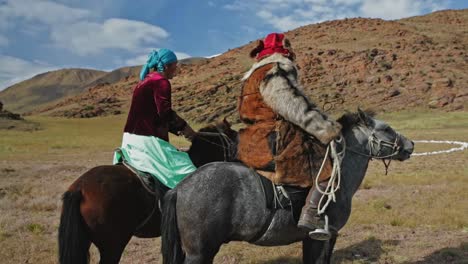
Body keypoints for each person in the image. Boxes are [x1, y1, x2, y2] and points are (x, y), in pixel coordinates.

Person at [237, 33, 342, 240]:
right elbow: (293, 106)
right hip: (276, 139)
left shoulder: (253, 74)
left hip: (250, 141)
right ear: (283, 53)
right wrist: (327, 129)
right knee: (328, 164)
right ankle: (312, 215)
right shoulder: (276, 70)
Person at [113, 49, 196, 189]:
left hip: (130, 140)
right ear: (166, 66)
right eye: (175, 65)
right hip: (148, 141)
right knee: (189, 171)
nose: (176, 69)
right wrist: (186, 129)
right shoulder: (161, 82)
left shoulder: (143, 82)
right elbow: (164, 113)